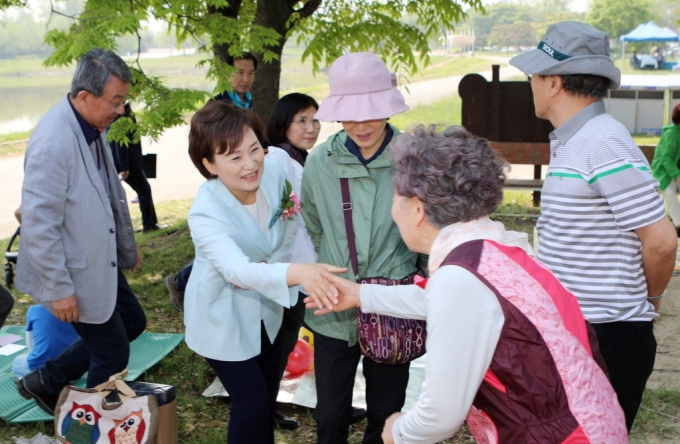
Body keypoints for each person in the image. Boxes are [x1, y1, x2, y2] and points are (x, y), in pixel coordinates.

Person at [310, 124, 628, 444]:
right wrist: (360, 294)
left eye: (395, 200)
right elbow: (444, 300)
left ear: (418, 209)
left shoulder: (459, 280)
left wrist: (397, 432)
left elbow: (440, 415)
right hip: (591, 422)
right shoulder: (496, 249)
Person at [509, 21, 677, 431]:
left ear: (553, 83)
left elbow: (661, 241)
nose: (530, 83)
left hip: (607, 335)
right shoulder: (576, 139)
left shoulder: (602, 140)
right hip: (580, 331)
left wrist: (649, 301)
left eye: (534, 74)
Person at [183, 100, 345, 443]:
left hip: (268, 306)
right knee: (251, 400)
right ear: (209, 164)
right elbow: (236, 269)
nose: (251, 163)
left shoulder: (272, 170)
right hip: (222, 314)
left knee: (266, 395)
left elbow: (296, 214)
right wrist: (299, 272)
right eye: (234, 157)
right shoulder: (205, 213)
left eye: (254, 148)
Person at [14, 48, 146, 415]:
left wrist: (124, 245)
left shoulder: (89, 123)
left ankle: (46, 381)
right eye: (115, 101)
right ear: (85, 96)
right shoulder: (53, 143)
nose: (120, 110)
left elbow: (106, 191)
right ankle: (88, 427)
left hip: (97, 258)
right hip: (73, 270)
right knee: (112, 351)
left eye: (123, 101)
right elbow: (38, 224)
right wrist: (59, 290)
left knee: (133, 321)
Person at [301, 52, 420, 444]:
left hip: (392, 303)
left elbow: (429, 234)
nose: (361, 124)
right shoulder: (320, 162)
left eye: (372, 112)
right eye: (350, 114)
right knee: (330, 413)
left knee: (386, 412)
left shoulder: (413, 161)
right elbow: (315, 228)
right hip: (334, 302)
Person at [265, 92, 367, 429]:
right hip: (290, 268)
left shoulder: (303, 158)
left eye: (315, 119)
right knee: (295, 340)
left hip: (306, 266)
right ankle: (267, 410)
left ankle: (332, 404)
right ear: (283, 124)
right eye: (302, 120)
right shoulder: (278, 158)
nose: (311, 127)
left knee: (296, 337)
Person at [165, 51, 258, 307]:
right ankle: (181, 282)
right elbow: (205, 148)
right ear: (227, 73)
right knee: (221, 242)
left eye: (250, 72)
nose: (245, 78)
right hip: (226, 184)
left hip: (244, 183)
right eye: (239, 72)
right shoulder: (217, 105)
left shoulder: (249, 102)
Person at [109, 103, 167, 233]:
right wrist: (124, 167)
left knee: (144, 189)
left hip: (129, 161)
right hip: (128, 164)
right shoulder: (121, 116)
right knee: (144, 190)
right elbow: (120, 143)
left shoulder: (119, 112)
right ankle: (149, 225)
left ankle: (151, 223)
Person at [12, 305, 80, 378]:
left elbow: (30, 343)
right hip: (72, 368)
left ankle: (28, 380)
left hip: (39, 367)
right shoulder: (77, 310)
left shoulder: (34, 310)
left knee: (17, 361)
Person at [651, 103, 680, 236]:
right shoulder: (672, 134)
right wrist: (677, 175)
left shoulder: (677, 132)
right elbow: (666, 159)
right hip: (661, 173)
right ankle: (678, 225)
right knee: (670, 190)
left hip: (668, 172)